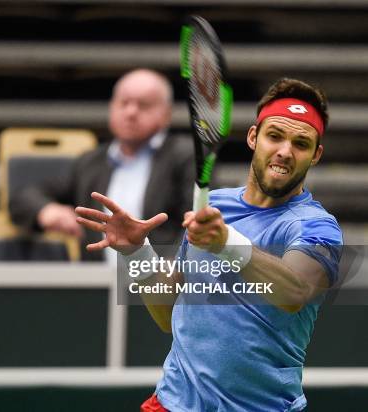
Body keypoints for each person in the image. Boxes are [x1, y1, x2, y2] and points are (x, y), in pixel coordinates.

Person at [75, 78, 343, 411]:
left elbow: (294, 292)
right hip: (173, 402)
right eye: (274, 136)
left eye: (300, 143)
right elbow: (169, 313)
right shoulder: (214, 206)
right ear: (253, 137)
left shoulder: (317, 226)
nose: (285, 151)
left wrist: (226, 242)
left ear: (316, 154)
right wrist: (137, 251)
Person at [10, 69, 193, 262]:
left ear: (166, 114)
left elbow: (196, 224)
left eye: (144, 105)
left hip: (164, 282)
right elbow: (23, 197)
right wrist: (46, 210)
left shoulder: (184, 157)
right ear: (112, 107)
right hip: (97, 285)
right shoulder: (91, 162)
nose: (131, 112)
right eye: (123, 103)